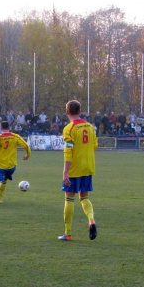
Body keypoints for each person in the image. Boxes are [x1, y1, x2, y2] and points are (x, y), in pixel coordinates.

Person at [58, 100, 98, 241]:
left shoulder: (69, 128)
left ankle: (68, 234)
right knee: (84, 197)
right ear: (79, 111)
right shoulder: (90, 127)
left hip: (75, 168)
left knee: (69, 199)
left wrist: (65, 172)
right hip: (88, 167)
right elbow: (95, 145)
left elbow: (68, 151)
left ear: (67, 112)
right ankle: (91, 220)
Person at [0, 121, 31, 207]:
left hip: (0, 166)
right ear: (9, 128)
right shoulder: (15, 136)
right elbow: (26, 146)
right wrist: (27, 155)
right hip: (11, 167)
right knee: (4, 180)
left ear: (0, 128)